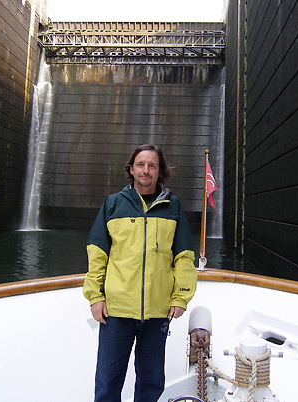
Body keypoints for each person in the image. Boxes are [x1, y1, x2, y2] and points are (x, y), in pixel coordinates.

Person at [83, 144, 198, 402]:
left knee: (151, 381)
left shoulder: (173, 206)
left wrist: (180, 297)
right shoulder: (113, 204)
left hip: (157, 311)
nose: (146, 170)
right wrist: (95, 296)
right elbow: (97, 252)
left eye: (152, 166)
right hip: (116, 310)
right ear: (132, 170)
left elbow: (184, 256)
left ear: (160, 172)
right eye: (141, 165)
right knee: (108, 380)